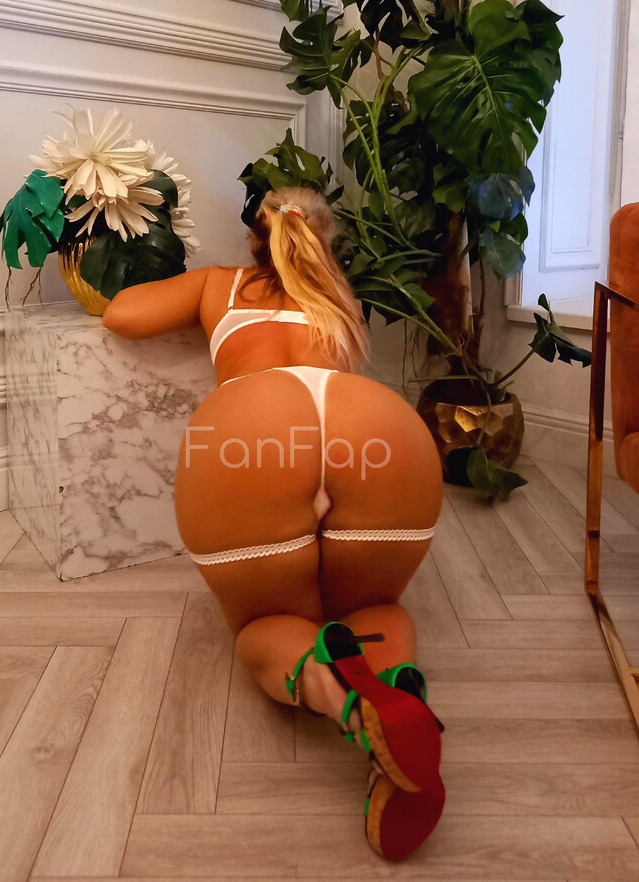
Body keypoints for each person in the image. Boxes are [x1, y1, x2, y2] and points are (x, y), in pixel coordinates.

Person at [102, 186, 445, 859]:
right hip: (376, 427)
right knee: (376, 606)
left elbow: (122, 314)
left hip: (252, 430)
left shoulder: (220, 284)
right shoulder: (340, 301)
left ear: (256, 236)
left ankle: (349, 707)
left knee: (268, 623)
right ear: (325, 240)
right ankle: (398, 694)